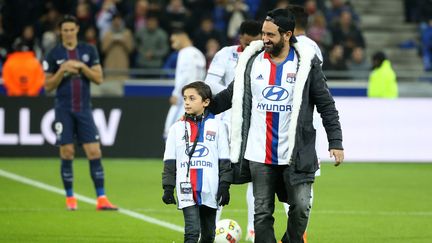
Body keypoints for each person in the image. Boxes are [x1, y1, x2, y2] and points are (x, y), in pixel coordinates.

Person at [208, 8, 344, 243]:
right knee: (262, 212)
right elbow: (232, 95)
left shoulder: (306, 65)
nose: (264, 39)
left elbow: (326, 105)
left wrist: (336, 141)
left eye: (270, 35)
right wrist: (203, 109)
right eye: (263, 34)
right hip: (259, 152)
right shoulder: (251, 61)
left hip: (296, 153)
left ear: (287, 35)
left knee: (301, 207)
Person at [43, 15, 117, 211]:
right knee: (67, 152)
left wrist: (82, 67)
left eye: (71, 29)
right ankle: (70, 198)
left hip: (84, 109)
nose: (68, 33)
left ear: (77, 30)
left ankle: (101, 198)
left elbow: (99, 78)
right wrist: (63, 71)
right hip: (63, 109)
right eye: (64, 30)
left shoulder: (88, 50)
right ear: (61, 32)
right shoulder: (54, 54)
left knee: (94, 151)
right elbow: (47, 86)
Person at [204, 19, 262, 242]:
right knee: (219, 173)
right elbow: (209, 82)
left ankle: (253, 230)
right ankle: (210, 227)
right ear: (240, 39)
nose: (249, 48)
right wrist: (239, 91)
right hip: (227, 120)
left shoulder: (266, 58)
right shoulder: (226, 54)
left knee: (256, 176)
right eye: (246, 44)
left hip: (257, 122)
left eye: (254, 43)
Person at [162, 81, 233, 243]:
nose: (186, 102)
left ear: (206, 102)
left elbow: (224, 160)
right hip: (186, 189)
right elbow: (169, 161)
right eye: (185, 98)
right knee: (192, 233)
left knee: (208, 236)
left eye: (192, 98)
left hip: (210, 188)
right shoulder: (176, 129)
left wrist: (224, 186)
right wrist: (168, 187)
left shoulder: (218, 126)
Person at [163, 30, 206, 140]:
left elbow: (185, 75)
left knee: (172, 130)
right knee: (191, 130)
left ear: (181, 37)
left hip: (185, 97)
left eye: (174, 41)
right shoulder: (198, 53)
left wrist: (176, 93)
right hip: (198, 96)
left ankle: (174, 157)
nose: (172, 45)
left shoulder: (185, 53)